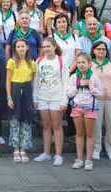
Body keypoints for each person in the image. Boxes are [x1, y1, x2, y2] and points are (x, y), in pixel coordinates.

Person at [33, 38, 68, 166]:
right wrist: (35, 98)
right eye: (44, 46)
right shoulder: (39, 61)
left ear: (54, 46)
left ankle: (58, 155)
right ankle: (46, 153)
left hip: (56, 98)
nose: (46, 49)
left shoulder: (61, 61)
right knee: (46, 126)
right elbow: (36, 81)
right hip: (42, 97)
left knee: (57, 126)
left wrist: (64, 100)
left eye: (48, 46)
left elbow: (66, 82)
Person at [67, 52, 102, 171]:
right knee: (79, 134)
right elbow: (69, 93)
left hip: (90, 108)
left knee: (90, 135)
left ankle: (89, 160)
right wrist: (77, 87)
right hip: (77, 108)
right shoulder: (73, 77)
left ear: (89, 64)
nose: (81, 65)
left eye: (83, 62)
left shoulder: (94, 77)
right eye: (78, 62)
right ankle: (79, 159)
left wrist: (91, 88)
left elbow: (100, 93)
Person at [6, 39, 36, 163]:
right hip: (15, 90)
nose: (20, 49)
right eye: (18, 46)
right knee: (15, 120)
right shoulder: (12, 62)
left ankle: (23, 148)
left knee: (26, 120)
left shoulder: (32, 63)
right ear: (15, 49)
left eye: (23, 46)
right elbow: (8, 81)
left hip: (27, 92)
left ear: (27, 47)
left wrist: (33, 97)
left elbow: (33, 82)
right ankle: (15, 148)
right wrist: (9, 97)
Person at [90, 41, 111, 160]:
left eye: (103, 49)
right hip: (96, 99)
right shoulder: (90, 64)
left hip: (110, 99)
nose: (101, 51)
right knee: (96, 126)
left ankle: (109, 148)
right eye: (99, 49)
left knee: (110, 125)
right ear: (94, 51)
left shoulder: (110, 64)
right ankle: (96, 149)